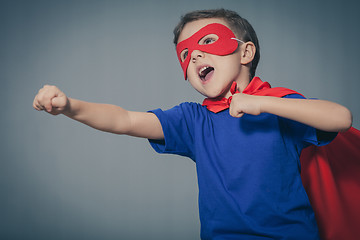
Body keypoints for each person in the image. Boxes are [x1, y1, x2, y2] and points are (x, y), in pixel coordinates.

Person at [33, 9, 353, 240]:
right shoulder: (192, 120)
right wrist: (70, 107)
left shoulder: (279, 106)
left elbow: (340, 118)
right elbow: (126, 120)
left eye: (207, 42)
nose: (195, 57)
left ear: (246, 52)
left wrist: (262, 103)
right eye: (185, 54)